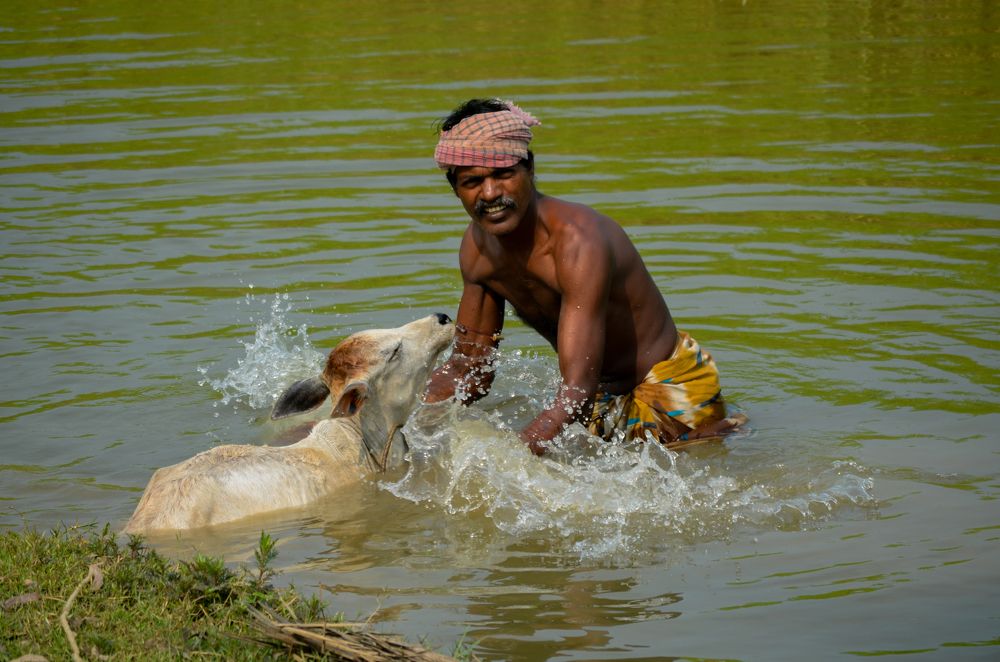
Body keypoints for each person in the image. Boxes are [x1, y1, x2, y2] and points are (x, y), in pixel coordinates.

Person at [424, 98, 744, 456]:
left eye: (503, 174)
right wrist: (403, 417)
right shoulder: (476, 252)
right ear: (455, 189)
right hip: (599, 398)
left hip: (670, 390)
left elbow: (576, 390)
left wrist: (511, 455)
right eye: (472, 182)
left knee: (700, 476)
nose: (491, 193)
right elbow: (470, 370)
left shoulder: (578, 241)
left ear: (529, 169)